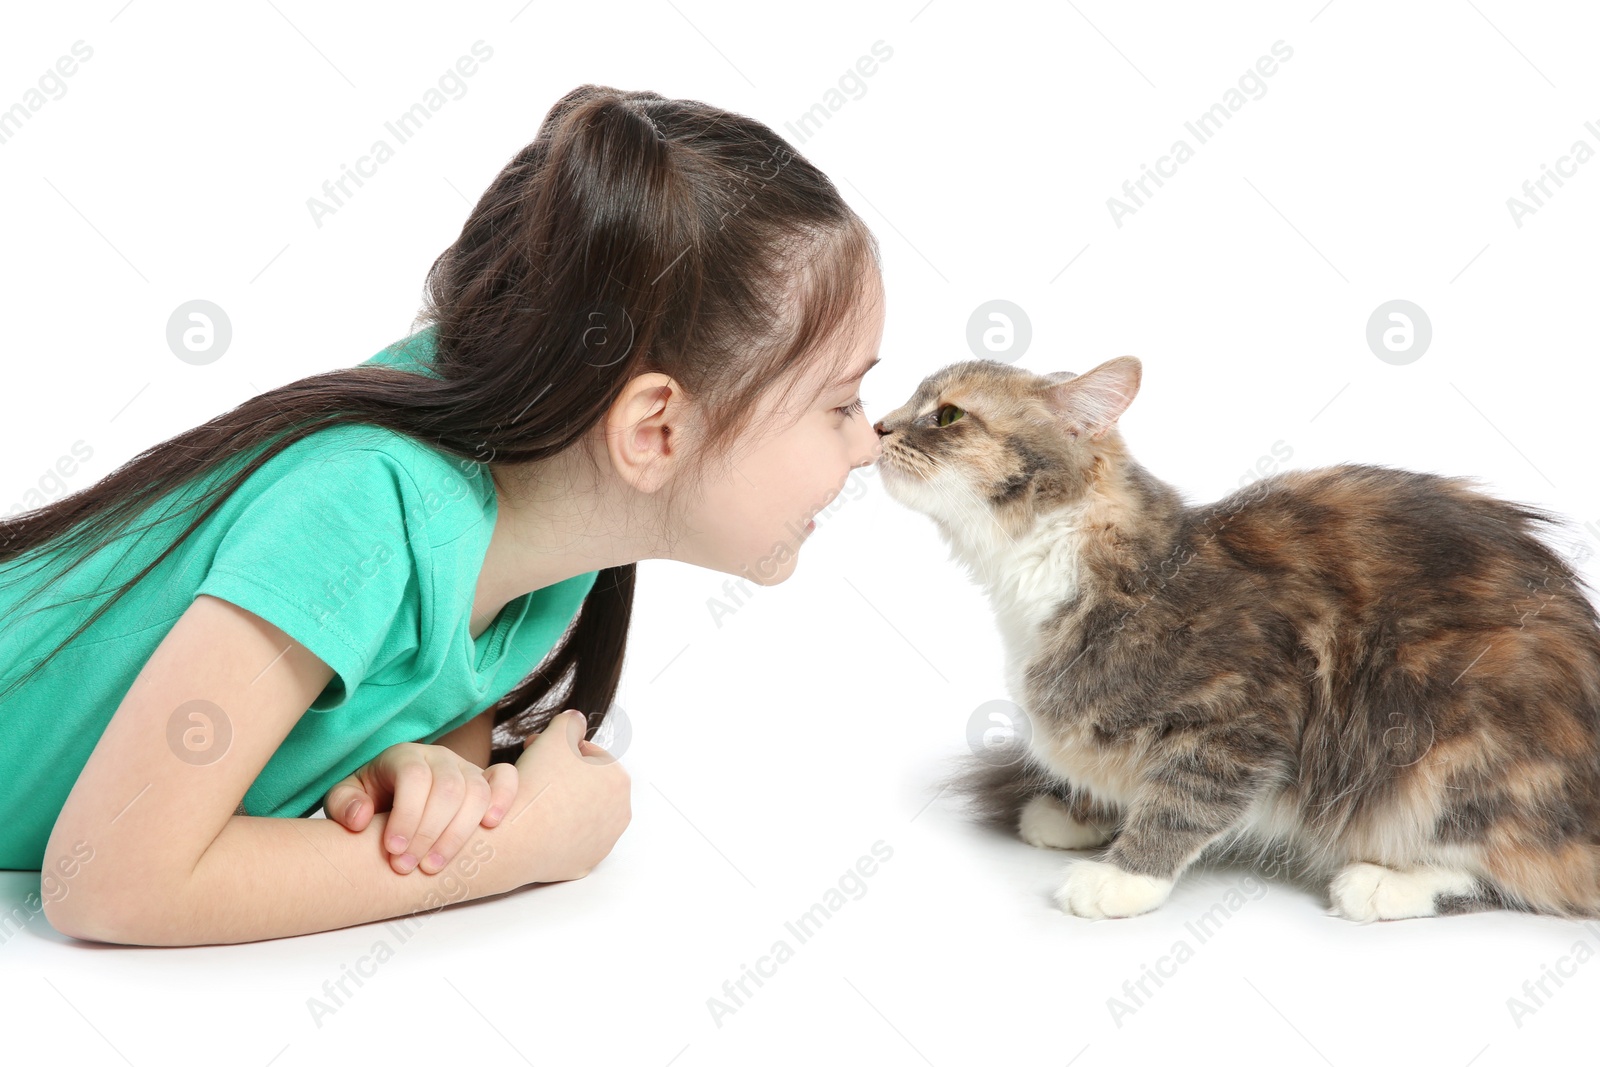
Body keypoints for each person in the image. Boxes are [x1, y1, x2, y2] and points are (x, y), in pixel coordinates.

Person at [0, 84, 885, 945]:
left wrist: (420, 778)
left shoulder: (546, 503)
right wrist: (517, 848)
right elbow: (108, 882)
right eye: (841, 403)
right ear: (654, 429)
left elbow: (420, 725)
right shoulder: (369, 511)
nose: (870, 444)